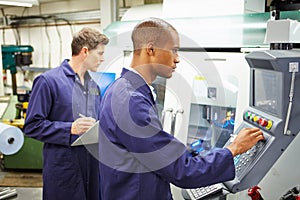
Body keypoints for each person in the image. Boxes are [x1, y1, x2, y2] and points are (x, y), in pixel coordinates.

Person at [98, 17, 264, 200]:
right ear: (151, 49)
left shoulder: (120, 88)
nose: (177, 59)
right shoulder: (131, 101)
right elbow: (182, 171)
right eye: (174, 51)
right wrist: (233, 149)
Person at [24, 27, 109, 200]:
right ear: (85, 51)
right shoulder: (48, 81)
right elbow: (32, 125)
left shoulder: (93, 86)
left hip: (92, 167)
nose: (102, 58)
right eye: (99, 53)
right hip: (64, 169)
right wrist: (69, 128)